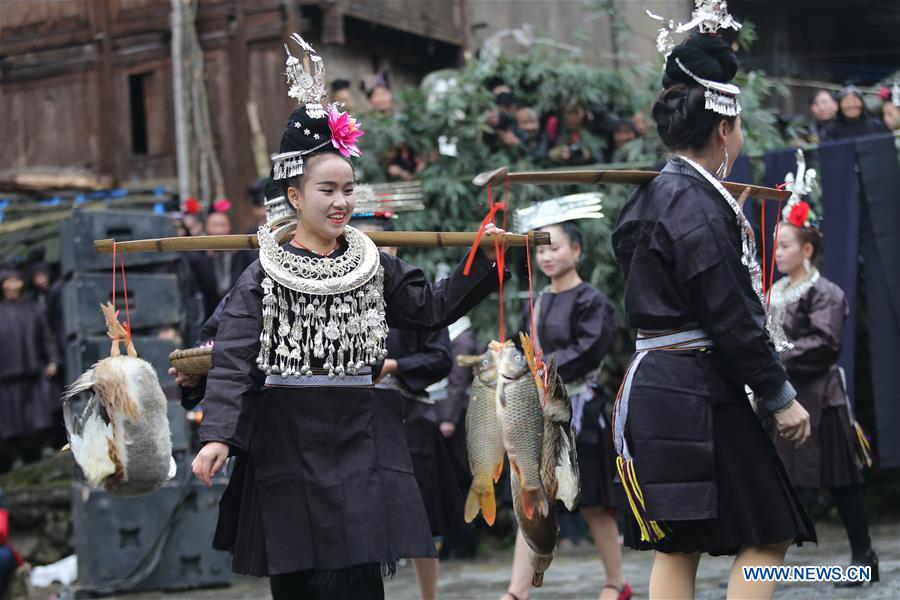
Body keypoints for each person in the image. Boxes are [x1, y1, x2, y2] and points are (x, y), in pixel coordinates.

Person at [184, 35, 506, 600]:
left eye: (349, 190)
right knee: (300, 582)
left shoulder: (371, 262)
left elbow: (431, 307)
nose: (340, 202)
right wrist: (219, 437)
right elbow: (234, 354)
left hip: (361, 431)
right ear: (294, 194)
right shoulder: (265, 271)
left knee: (360, 582)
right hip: (287, 435)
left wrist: (487, 260)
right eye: (326, 189)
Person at [611, 15, 815, 598]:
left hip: (655, 383)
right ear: (725, 130)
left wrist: (717, 210)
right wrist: (778, 396)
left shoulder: (652, 194)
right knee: (769, 531)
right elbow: (730, 313)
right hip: (697, 389)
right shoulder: (697, 203)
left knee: (681, 543)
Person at [503, 209, 629, 600]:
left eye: (554, 248)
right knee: (531, 494)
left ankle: (616, 583)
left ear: (576, 250)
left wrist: (542, 367)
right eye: (541, 250)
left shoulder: (593, 301)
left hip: (578, 410)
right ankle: (516, 591)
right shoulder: (539, 299)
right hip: (540, 411)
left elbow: (588, 349)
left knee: (592, 503)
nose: (546, 257)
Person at [354, 215, 464, 600]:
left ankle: (428, 597)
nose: (378, 252)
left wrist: (394, 366)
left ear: (396, 247)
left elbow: (440, 358)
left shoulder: (415, 293)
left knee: (421, 515)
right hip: (357, 418)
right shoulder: (340, 292)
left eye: (384, 244)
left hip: (409, 417)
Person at [771, 199, 878, 587]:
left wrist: (774, 358)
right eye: (776, 245)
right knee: (775, 477)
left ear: (807, 250)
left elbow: (825, 342)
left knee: (841, 480)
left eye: (785, 245)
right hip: (782, 396)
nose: (778, 252)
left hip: (821, 396)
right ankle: (759, 560)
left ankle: (864, 556)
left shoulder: (826, 293)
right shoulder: (776, 292)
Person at [0, 268, 60, 471]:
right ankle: (16, 456)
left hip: (33, 370)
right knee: (9, 419)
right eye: (8, 281)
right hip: (6, 375)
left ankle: (46, 446)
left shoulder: (33, 308)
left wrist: (53, 359)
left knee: (41, 410)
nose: (13, 286)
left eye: (16, 280)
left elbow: (47, 336)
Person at [822, 85, 889, 140]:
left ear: (862, 103)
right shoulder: (831, 130)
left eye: (854, 99)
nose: (851, 104)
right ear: (839, 106)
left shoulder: (876, 125)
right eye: (846, 100)